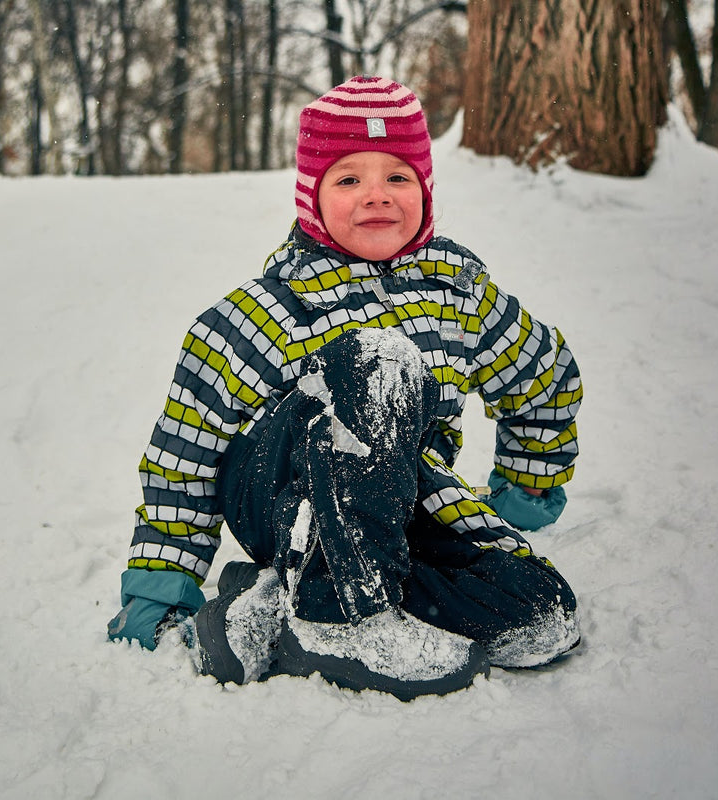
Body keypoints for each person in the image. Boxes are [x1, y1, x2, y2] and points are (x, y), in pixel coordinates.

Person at [107, 76, 583, 699]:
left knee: (543, 612)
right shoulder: (265, 314)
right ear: (312, 195)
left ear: (425, 191)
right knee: (376, 360)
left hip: (399, 508)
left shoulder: (459, 298)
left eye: (397, 178)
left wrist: (525, 491)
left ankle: (277, 611)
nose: (376, 197)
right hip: (283, 494)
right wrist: (157, 588)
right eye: (349, 179)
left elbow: (545, 374)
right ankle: (338, 619)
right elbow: (184, 456)